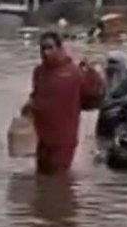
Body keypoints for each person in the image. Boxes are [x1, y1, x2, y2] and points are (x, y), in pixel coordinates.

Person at [22, 32, 105, 175]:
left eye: (50, 48)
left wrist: (92, 71)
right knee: (40, 176)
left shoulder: (74, 72)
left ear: (59, 48)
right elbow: (36, 94)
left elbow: (94, 94)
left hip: (63, 140)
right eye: (42, 49)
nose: (46, 52)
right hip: (42, 137)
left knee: (59, 180)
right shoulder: (39, 72)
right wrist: (29, 106)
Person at [95, 52, 127, 139]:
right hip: (104, 113)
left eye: (114, 62)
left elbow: (116, 95)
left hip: (118, 114)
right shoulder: (104, 76)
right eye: (109, 62)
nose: (111, 66)